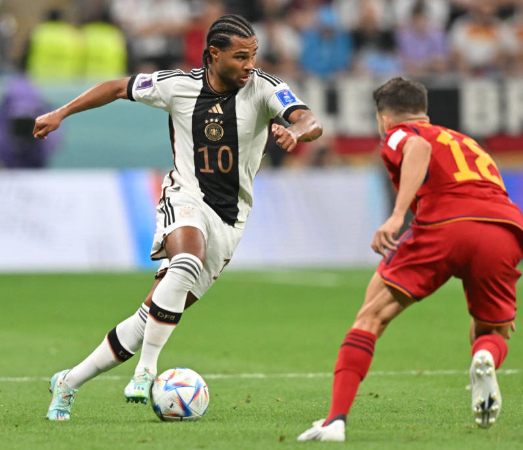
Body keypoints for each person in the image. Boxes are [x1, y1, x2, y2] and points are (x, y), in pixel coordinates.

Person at [33, 14, 323, 421]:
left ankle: (68, 383)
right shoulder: (177, 85)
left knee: (149, 317)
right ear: (214, 54)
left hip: (230, 219)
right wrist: (61, 113)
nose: (250, 65)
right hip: (185, 196)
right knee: (186, 260)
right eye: (241, 57)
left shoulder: (264, 88)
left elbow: (310, 120)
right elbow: (116, 87)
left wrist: (296, 132)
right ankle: (146, 371)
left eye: (253, 55)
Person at [298, 77, 523, 442]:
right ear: (425, 112)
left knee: (370, 317)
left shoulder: (399, 134)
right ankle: (484, 358)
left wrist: (396, 215)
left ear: (384, 119)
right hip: (503, 229)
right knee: (493, 330)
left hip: (445, 225)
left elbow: (417, 148)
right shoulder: (466, 141)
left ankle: (335, 421)